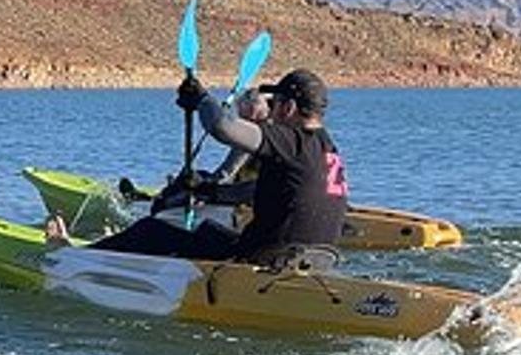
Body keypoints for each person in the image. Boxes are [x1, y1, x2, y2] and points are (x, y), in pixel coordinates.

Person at [51, 69, 348, 263]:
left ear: (289, 108)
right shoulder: (327, 148)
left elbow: (222, 126)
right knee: (208, 231)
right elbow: (270, 190)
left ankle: (70, 258)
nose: (271, 110)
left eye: (276, 102)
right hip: (317, 257)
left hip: (267, 258)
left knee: (151, 231)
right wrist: (211, 191)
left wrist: (202, 98)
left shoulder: (291, 139)